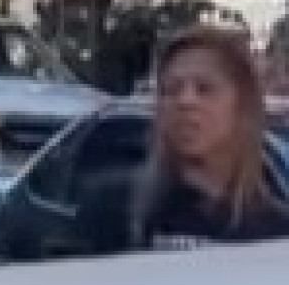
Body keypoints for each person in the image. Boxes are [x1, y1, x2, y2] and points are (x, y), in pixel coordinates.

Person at [78, 27, 289, 253]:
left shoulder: (275, 232)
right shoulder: (113, 204)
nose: (185, 101)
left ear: (242, 108)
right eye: (172, 89)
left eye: (205, 89)